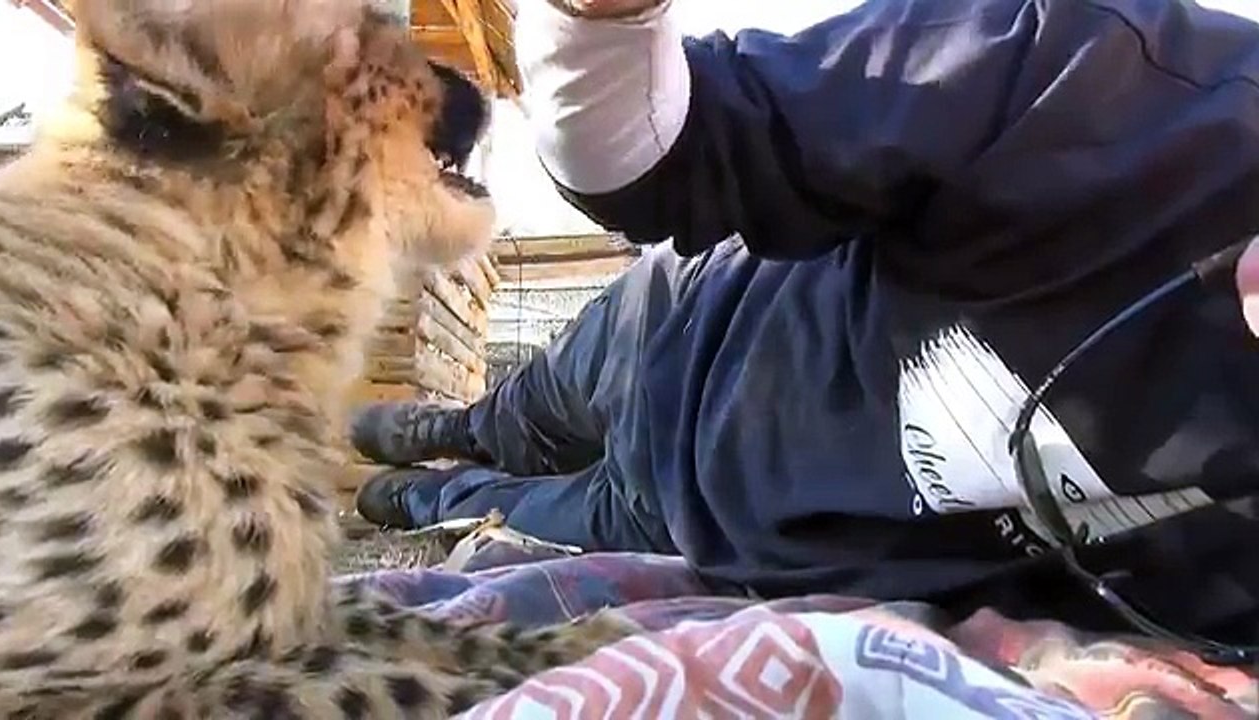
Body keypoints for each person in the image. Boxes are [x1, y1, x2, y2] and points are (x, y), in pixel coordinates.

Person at [354, 0, 1259, 643]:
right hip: (672, 339)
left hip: (700, 531)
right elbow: (661, 146)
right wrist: (599, 19)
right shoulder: (1097, 72)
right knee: (511, 424)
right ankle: (449, 427)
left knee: (499, 507)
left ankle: (423, 492)